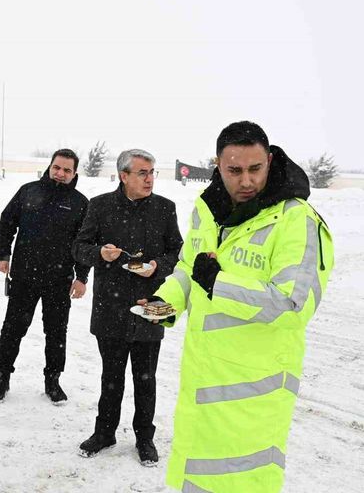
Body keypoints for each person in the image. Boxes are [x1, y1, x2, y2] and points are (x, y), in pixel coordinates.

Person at [147, 121, 334, 493]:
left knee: (242, 483)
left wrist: (218, 282)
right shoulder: (207, 209)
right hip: (202, 382)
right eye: (234, 170)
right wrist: (164, 302)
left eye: (255, 169)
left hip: (254, 397)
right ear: (218, 165)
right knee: (196, 477)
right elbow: (189, 267)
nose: (245, 181)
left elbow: (293, 304)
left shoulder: (297, 220)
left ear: (269, 160)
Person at [72, 148, 183, 466]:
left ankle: (145, 439)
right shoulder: (100, 206)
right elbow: (79, 247)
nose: (150, 179)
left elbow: (177, 252)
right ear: (124, 175)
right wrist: (99, 255)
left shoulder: (165, 208)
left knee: (146, 379)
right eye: (143, 173)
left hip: (151, 305)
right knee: (111, 376)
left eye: (152, 173)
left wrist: (156, 267)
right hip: (110, 307)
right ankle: (104, 432)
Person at [0, 148, 90, 404]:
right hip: (24, 277)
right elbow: (6, 222)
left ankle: (53, 380)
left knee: (56, 333)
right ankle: (2, 376)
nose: (61, 173)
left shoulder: (80, 203)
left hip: (59, 281)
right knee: (13, 329)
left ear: (74, 173)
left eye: (67, 170)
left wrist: (82, 277)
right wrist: (3, 254)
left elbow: (86, 243)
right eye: (57, 167)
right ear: (50, 166)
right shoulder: (28, 191)